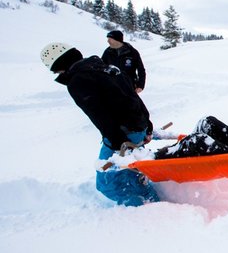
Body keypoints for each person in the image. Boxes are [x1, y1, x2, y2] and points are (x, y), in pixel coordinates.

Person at [40, 42, 159, 206]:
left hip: (122, 135)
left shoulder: (78, 80)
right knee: (132, 172)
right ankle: (152, 200)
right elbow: (133, 96)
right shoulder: (105, 67)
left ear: (58, 65)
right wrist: (147, 124)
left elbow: (99, 115)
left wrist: (119, 143)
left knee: (108, 184)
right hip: (138, 127)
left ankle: (143, 210)